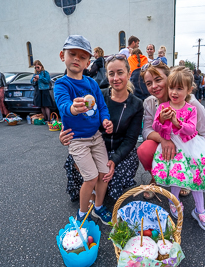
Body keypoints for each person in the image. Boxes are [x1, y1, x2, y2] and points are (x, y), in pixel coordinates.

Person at [60, 54, 144, 203]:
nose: (115, 78)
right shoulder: (99, 94)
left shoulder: (136, 104)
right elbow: (79, 118)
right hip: (95, 145)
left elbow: (131, 139)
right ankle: (92, 191)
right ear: (107, 75)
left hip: (119, 150)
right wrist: (65, 133)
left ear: (129, 74)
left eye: (120, 72)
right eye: (111, 74)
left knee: (108, 176)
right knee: (75, 159)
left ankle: (100, 193)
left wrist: (114, 159)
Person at [138, 59, 205, 220]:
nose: (154, 86)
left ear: (169, 77)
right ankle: (158, 178)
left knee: (190, 162)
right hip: (166, 142)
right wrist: (165, 139)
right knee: (145, 149)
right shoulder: (151, 103)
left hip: (188, 142)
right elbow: (147, 130)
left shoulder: (190, 102)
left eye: (158, 80)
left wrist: (200, 154)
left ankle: (187, 181)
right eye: (149, 83)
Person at [55, 35, 114, 224]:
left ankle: (98, 206)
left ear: (88, 62)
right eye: (72, 54)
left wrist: (105, 120)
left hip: (96, 136)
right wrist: (73, 109)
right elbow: (63, 105)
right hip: (77, 139)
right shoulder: (62, 84)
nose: (76, 59)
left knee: (104, 174)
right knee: (90, 177)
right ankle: (82, 213)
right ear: (62, 56)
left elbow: (103, 107)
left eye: (82, 57)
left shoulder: (92, 84)